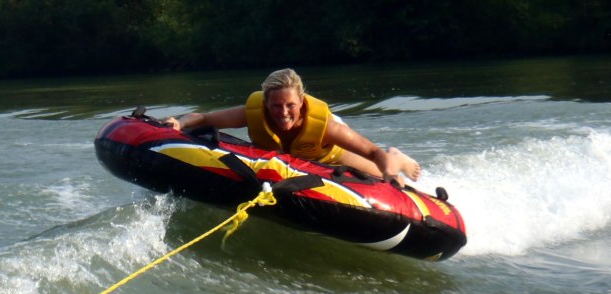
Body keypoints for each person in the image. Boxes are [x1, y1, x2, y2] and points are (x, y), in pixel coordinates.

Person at [164, 68, 420, 185]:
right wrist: (179, 122)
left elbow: (372, 151)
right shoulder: (253, 112)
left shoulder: (326, 127)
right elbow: (204, 118)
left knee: (383, 172)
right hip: (289, 157)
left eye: (290, 105)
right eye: (276, 106)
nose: (283, 113)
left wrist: (388, 175)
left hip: (325, 152)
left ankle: (397, 158)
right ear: (266, 103)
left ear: (301, 102)